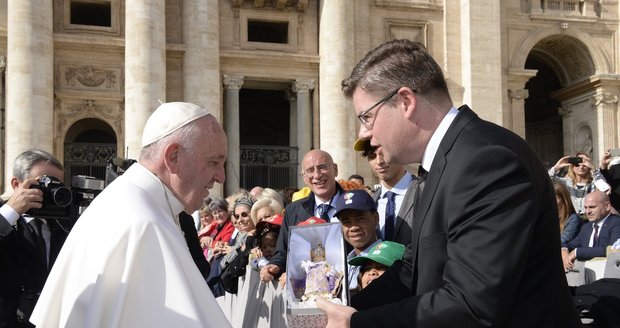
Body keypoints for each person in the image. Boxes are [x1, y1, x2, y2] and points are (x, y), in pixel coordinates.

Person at [316, 39, 579, 327]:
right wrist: (345, 308)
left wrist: (358, 324)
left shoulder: (487, 161)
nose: (363, 133)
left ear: (406, 101)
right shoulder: (443, 163)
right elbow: (413, 268)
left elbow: (472, 304)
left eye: (367, 117)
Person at [30, 102, 231, 327]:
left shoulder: (131, 202)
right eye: (213, 162)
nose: (221, 177)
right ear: (173, 156)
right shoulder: (143, 222)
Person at [0, 149, 70, 328]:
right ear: (17, 184)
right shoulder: (4, 217)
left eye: (57, 185)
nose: (50, 192)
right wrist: (10, 212)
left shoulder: (62, 225)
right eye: (43, 184)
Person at [259, 149, 344, 283]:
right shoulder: (293, 211)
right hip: (306, 292)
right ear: (304, 178)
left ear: (335, 169)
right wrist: (274, 265)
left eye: (322, 167)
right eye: (310, 170)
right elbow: (283, 251)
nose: (317, 175)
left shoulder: (353, 206)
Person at [356, 138, 417, 245]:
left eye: (384, 153)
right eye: (372, 156)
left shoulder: (425, 192)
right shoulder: (371, 202)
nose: (379, 162)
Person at [333, 189, 382, 292]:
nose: (354, 227)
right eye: (346, 222)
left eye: (360, 219)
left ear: (376, 218)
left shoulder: (386, 260)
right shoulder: (342, 264)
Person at [562, 190, 620, 271]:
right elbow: (571, 244)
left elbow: (612, 250)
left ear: (607, 206)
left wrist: (577, 252)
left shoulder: (616, 223)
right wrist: (564, 250)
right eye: (585, 208)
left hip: (608, 274)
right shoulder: (587, 227)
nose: (588, 211)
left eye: (592, 207)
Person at [553, 179, 584, 245]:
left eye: (552, 197)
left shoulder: (573, 219)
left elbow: (562, 241)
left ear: (562, 198)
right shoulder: (550, 217)